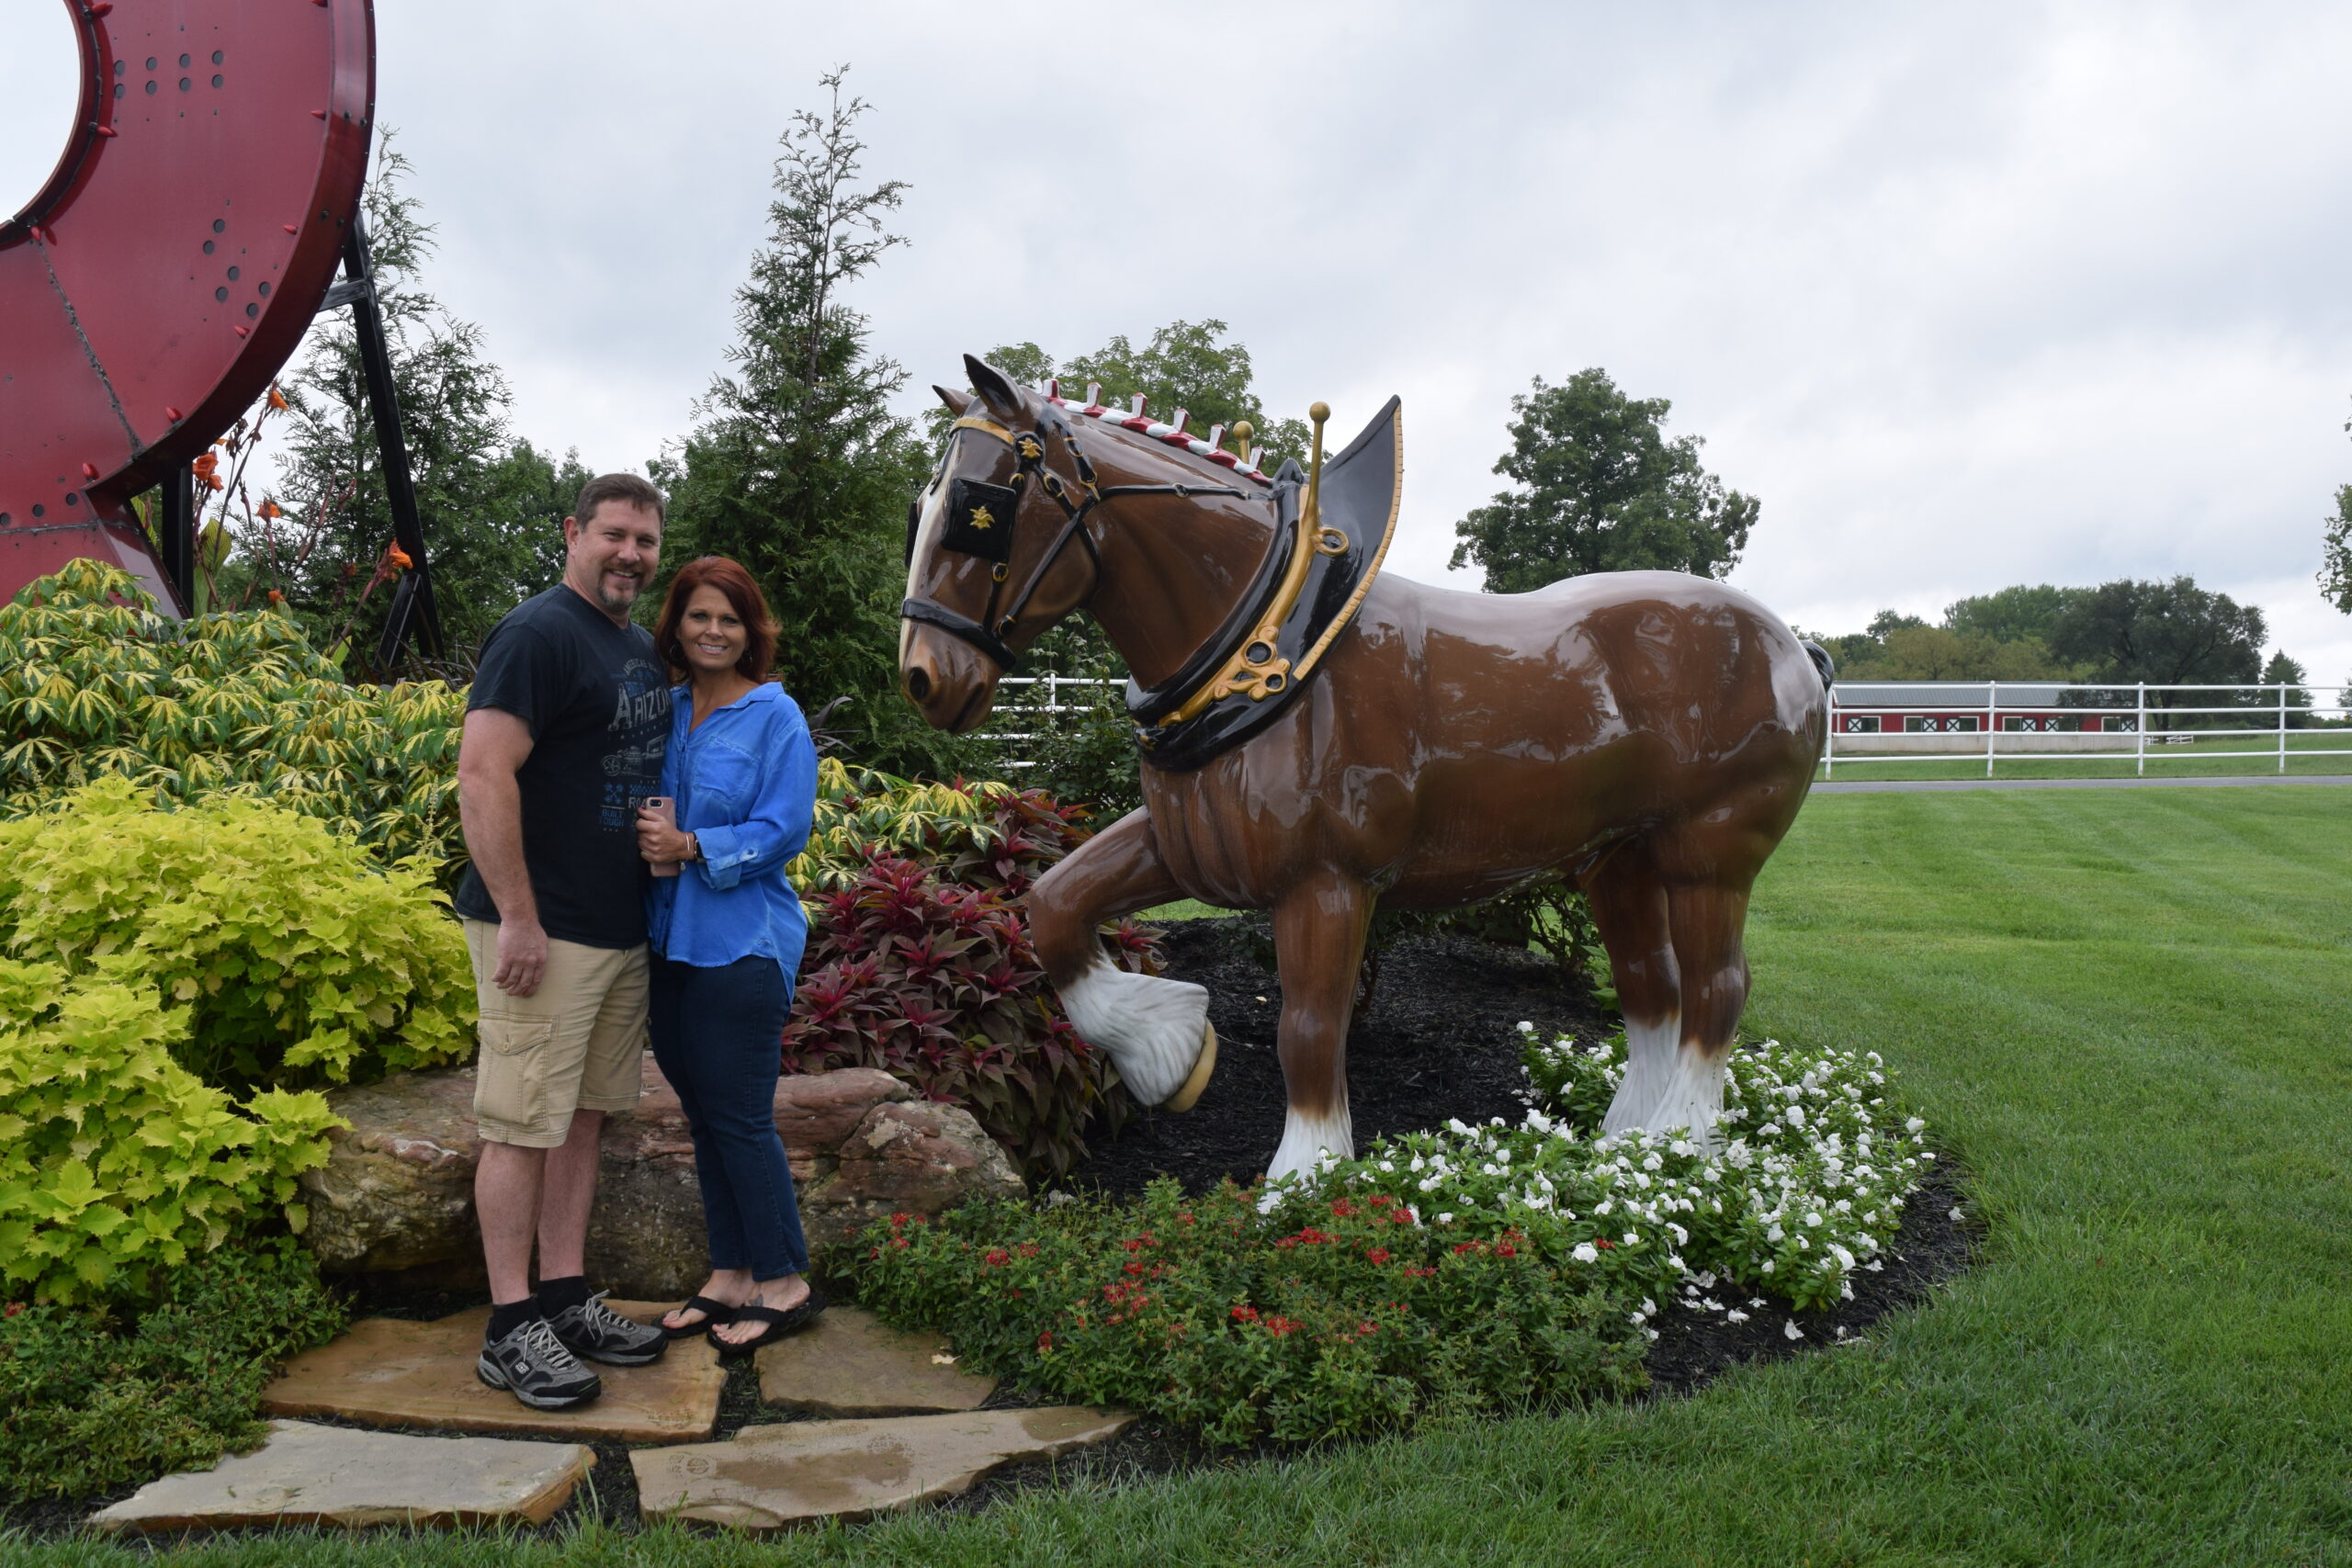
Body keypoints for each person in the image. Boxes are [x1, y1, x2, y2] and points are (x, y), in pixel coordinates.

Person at [453, 473, 674, 1409]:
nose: (631, 555)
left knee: (582, 1118)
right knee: (519, 1123)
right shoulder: (537, 634)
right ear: (573, 533)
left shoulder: (631, 646)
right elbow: (481, 772)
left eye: (647, 542)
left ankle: (565, 1296)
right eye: (615, 535)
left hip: (615, 926)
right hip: (543, 928)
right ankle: (510, 1330)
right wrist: (518, 915)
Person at [635, 556, 824, 1355]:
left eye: (730, 619)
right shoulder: (665, 709)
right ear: (676, 624)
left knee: (742, 1117)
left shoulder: (775, 716)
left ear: (752, 631)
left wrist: (692, 844)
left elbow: (785, 828)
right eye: (699, 616)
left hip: (742, 942)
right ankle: (731, 1273)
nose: (714, 631)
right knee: (703, 1116)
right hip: (665, 938)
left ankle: (786, 1280)